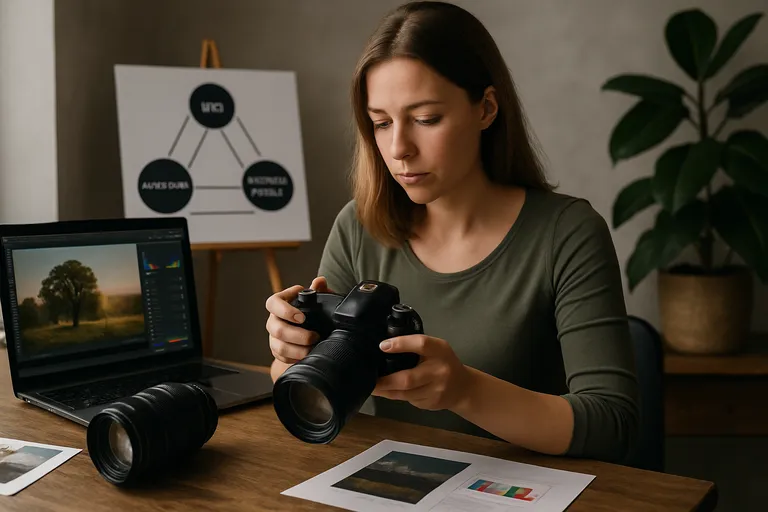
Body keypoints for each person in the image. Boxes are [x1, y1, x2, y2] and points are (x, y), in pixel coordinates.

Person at [265, 0, 639, 464]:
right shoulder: (359, 228)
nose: (399, 148)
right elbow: (323, 400)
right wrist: (292, 356)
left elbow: (613, 424)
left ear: (485, 108)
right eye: (381, 123)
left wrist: (463, 390)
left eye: (425, 119)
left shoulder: (568, 233)